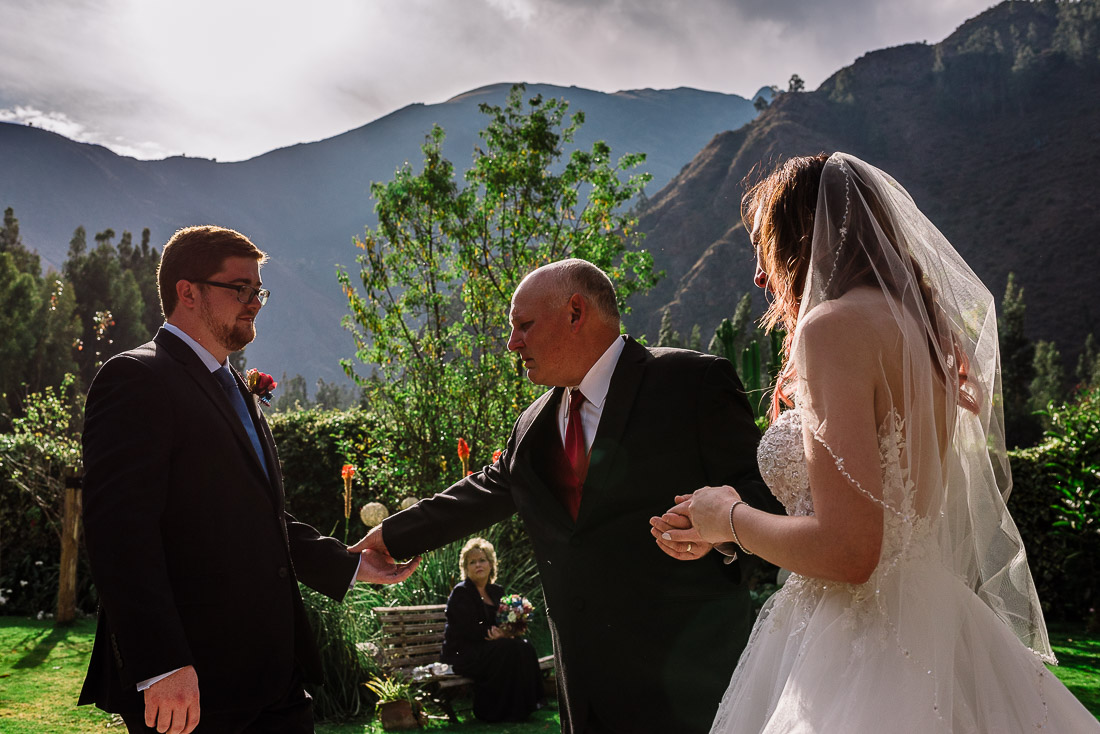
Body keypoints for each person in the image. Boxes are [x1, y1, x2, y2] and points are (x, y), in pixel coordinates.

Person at [658, 153, 1100, 732]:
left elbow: (850, 552)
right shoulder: (919, 331)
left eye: (765, 249)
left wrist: (728, 517)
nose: (760, 278)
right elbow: (872, 514)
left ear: (806, 242)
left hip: (857, 642)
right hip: (935, 617)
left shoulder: (833, 328)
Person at [352, 258, 783, 733]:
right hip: (584, 682)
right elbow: (483, 492)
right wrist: (389, 537)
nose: (513, 343)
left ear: (576, 312)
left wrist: (718, 532)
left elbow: (765, 489)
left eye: (524, 326)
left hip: (691, 676)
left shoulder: (692, 381)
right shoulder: (533, 421)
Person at [78, 225, 418, 734]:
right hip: (193, 685)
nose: (255, 302)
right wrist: (162, 665)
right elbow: (120, 535)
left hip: (273, 678)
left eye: (258, 291)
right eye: (240, 289)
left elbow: (255, 516)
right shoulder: (136, 379)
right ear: (186, 291)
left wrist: (347, 566)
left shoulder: (235, 385)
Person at [440, 537, 545, 722]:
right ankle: (492, 711)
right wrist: (493, 634)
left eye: (482, 560)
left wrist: (509, 631)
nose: (478, 565)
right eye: (472, 562)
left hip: (491, 646)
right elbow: (465, 628)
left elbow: (506, 620)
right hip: (464, 651)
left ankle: (527, 705)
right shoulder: (461, 592)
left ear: (491, 564)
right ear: (466, 568)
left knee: (524, 646)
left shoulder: (496, 591)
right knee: (507, 649)